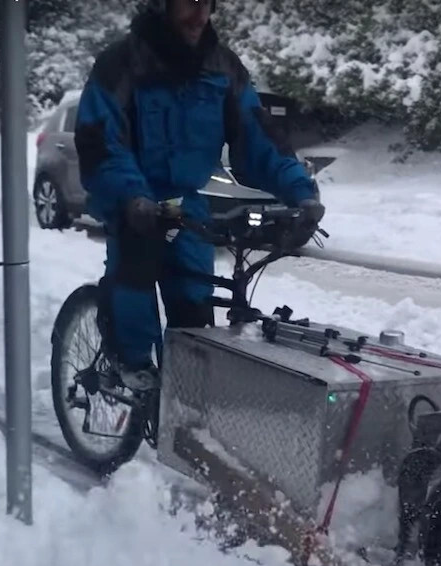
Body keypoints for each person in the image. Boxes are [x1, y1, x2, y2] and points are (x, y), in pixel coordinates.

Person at [74, 0, 325, 392]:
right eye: (188, 4)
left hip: (177, 204)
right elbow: (102, 143)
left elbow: (257, 138)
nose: (199, 14)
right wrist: (132, 196)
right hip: (131, 197)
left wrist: (301, 192)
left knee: (192, 292)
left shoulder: (221, 68)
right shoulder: (122, 63)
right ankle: (131, 362)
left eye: (206, 4)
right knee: (136, 271)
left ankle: (183, 387)